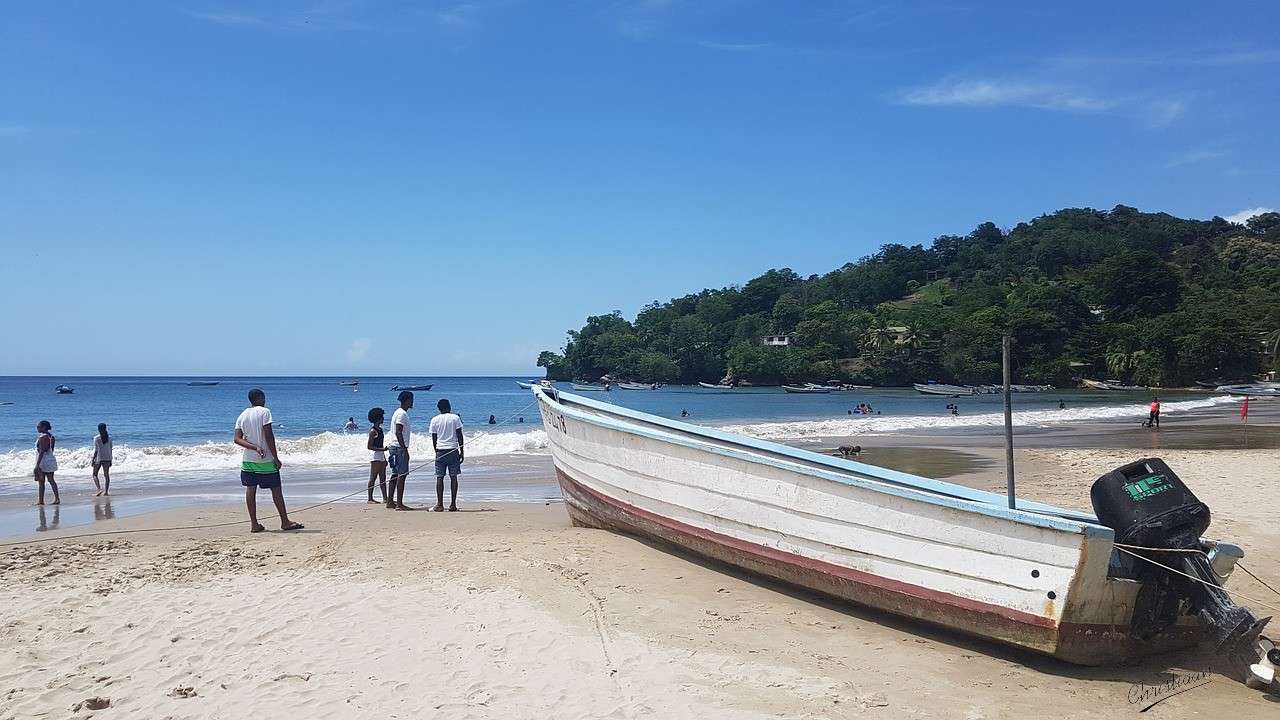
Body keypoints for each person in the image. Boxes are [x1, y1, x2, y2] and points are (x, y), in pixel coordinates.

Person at [233, 388, 303, 533]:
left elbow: (237, 439)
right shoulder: (265, 412)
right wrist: (275, 457)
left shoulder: (242, 415)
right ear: (260, 398)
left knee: (250, 490)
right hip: (265, 460)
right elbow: (269, 435)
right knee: (276, 489)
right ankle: (285, 521)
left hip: (248, 460)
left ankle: (254, 524)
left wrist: (253, 447)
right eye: (263, 398)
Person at [430, 398, 465, 512]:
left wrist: (436, 450)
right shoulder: (455, 418)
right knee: (453, 477)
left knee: (439, 477)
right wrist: (462, 451)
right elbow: (459, 435)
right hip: (453, 450)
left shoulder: (434, 420)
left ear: (439, 409)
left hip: (440, 450)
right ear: (449, 407)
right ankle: (453, 504)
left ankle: (440, 504)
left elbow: (434, 438)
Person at [387, 391, 414, 510]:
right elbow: (399, 431)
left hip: (394, 447)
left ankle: (390, 501)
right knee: (401, 475)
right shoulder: (402, 414)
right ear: (407, 400)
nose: (413, 402)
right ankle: (399, 503)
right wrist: (404, 449)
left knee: (395, 474)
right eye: (411, 400)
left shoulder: (398, 412)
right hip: (398, 447)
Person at [33, 420, 59, 506]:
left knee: (41, 482)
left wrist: (37, 465)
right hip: (50, 460)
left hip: (43, 461)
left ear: (44, 427)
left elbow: (41, 452)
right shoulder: (51, 437)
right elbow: (51, 450)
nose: (37, 428)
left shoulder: (42, 437)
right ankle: (57, 498)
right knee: (51, 480)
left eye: (39, 426)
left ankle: (41, 501)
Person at [366, 407, 388, 505]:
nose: (383, 418)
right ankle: (370, 498)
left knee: (383, 478)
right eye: (382, 417)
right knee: (373, 477)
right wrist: (382, 450)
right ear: (378, 418)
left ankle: (385, 498)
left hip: (381, 455)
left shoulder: (380, 430)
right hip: (375, 456)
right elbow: (369, 446)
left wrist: (384, 456)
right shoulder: (373, 431)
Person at [91, 422, 112, 496]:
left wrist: (93, 459)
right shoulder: (109, 437)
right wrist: (111, 459)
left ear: (98, 429)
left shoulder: (96, 438)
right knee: (106, 475)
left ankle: (99, 489)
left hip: (99, 458)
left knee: (94, 474)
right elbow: (110, 449)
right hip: (107, 457)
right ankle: (106, 491)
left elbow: (96, 450)